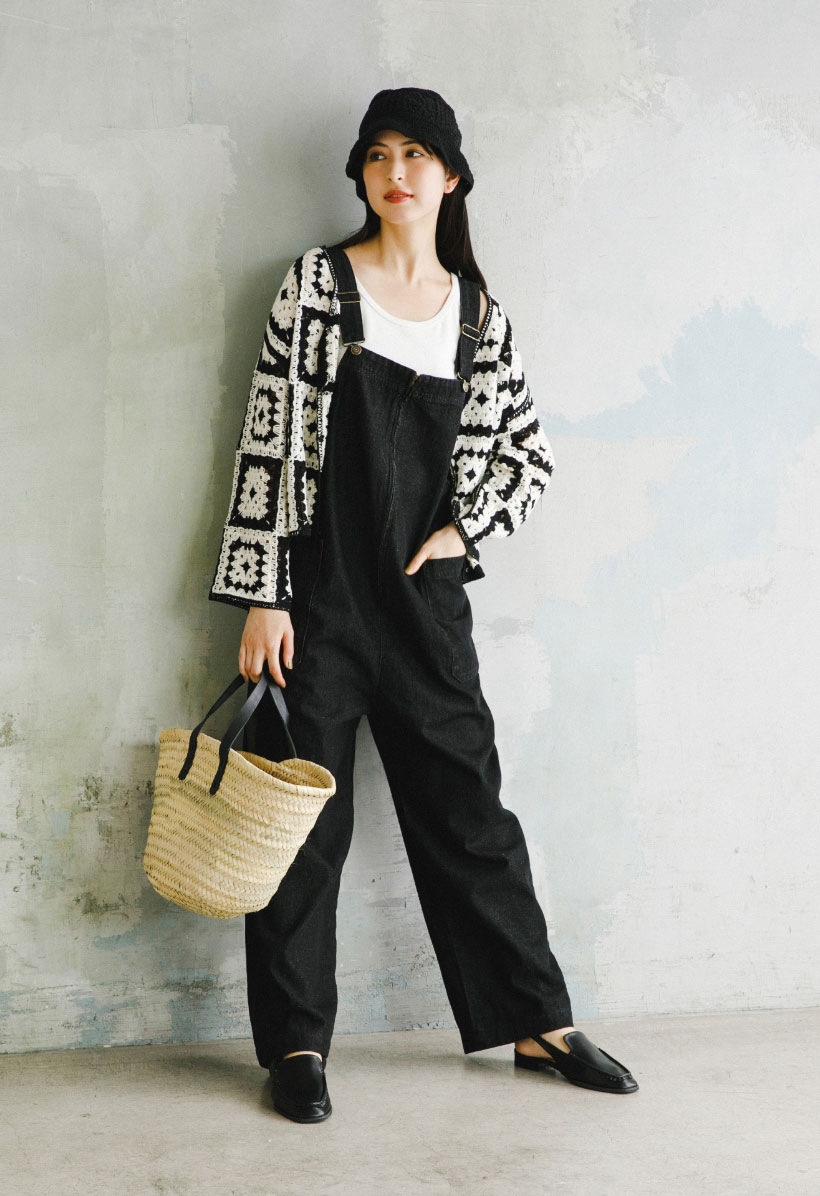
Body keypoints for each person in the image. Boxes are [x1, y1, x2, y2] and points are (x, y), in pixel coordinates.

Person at [209, 87, 638, 1122]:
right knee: (301, 827)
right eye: (377, 154)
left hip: (424, 609)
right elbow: (269, 443)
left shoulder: (477, 315)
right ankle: (297, 1044)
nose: (394, 172)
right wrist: (263, 593)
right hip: (315, 600)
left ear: (450, 176)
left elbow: (527, 457)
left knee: (471, 815)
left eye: (415, 154)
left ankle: (535, 1019)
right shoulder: (317, 286)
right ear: (361, 173)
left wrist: (463, 531)